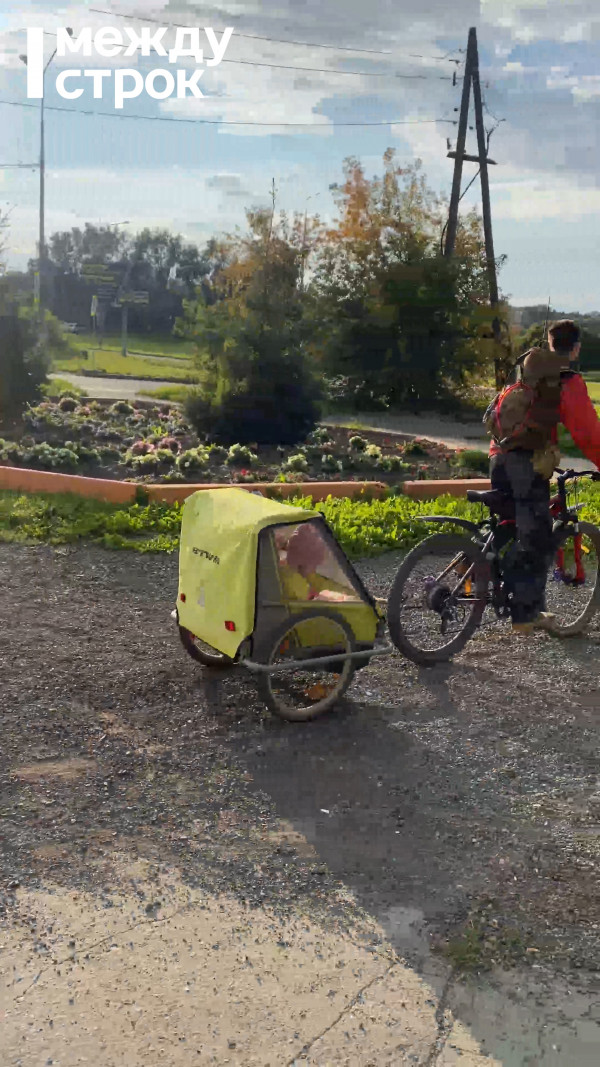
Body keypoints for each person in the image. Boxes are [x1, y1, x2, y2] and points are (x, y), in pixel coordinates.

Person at [489, 319, 600, 634]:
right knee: (537, 537)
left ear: (549, 344)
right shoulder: (565, 379)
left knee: (509, 527)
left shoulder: (525, 371)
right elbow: (589, 435)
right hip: (527, 464)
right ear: (575, 348)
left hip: (497, 457)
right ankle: (525, 615)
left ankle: (475, 570)